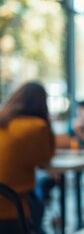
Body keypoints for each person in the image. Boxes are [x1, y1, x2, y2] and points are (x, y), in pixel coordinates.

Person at [0, 82, 55, 233]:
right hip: (11, 206)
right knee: (40, 196)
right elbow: (45, 159)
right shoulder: (37, 126)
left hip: (4, 197)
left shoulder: (3, 120)